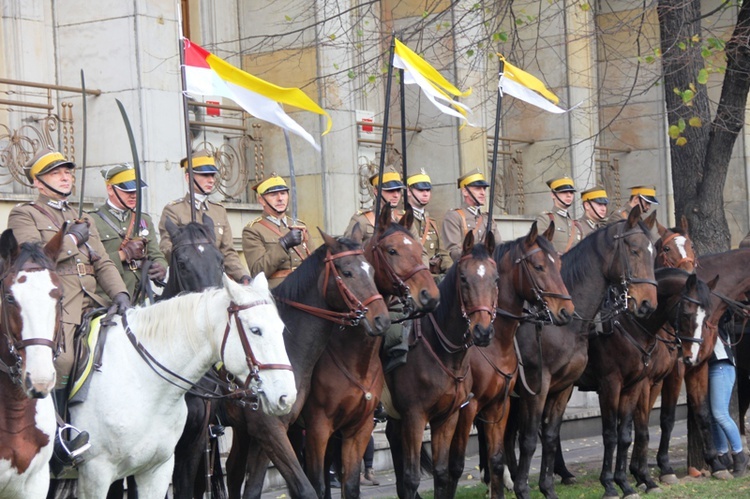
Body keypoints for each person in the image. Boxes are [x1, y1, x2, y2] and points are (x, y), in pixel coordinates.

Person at [8, 148, 131, 469]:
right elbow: (31, 259)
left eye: (68, 172)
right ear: (37, 182)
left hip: (94, 301)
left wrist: (119, 293)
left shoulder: (82, 216)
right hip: (56, 302)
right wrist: (72, 241)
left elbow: (102, 261)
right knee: (61, 358)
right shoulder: (25, 214)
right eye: (55, 173)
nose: (65, 177)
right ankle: (60, 432)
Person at [158, 150, 251, 284]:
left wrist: (242, 276)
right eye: (205, 175)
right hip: (188, 282)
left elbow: (228, 252)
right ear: (188, 177)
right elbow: (167, 249)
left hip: (216, 280)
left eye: (212, 175)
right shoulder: (174, 210)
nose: (211, 180)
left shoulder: (218, 211)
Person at [90, 163, 167, 303]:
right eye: (127, 190)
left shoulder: (143, 220)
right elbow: (91, 266)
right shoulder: (92, 221)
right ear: (110, 189)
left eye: (136, 190)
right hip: (108, 300)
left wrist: (161, 266)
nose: (134, 195)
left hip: (141, 297)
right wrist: (123, 255)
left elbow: (156, 254)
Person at [242, 173, 312, 289]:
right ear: (262, 200)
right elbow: (257, 271)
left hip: (306, 288)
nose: (280, 198)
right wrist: (283, 245)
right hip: (278, 291)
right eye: (273, 195)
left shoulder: (300, 225)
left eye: (283, 193)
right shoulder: (253, 230)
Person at [710, 312, 748, 477]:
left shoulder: (717, 315)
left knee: (720, 414)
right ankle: (722, 455)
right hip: (711, 367)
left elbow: (726, 312)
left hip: (721, 365)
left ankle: (739, 455)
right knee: (714, 416)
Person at [442, 168, 500, 263]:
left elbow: (499, 247)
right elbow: (454, 252)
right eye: (478, 189)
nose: (483, 193)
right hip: (467, 269)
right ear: (465, 192)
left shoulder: (487, 218)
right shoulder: (454, 217)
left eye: (484, 189)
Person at [344, 166, 405, 245]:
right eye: (390, 190)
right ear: (376, 191)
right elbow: (349, 251)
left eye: (398, 190)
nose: (396, 195)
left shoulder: (403, 218)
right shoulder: (361, 220)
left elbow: (419, 250)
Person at [405, 169, 450, 276]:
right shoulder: (402, 220)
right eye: (420, 190)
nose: (425, 194)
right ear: (408, 191)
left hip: (433, 277)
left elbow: (444, 253)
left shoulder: (433, 222)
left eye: (428, 190)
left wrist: (452, 273)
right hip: (411, 277)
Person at [535, 176, 582, 255]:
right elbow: (538, 247)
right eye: (564, 192)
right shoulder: (546, 219)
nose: (569, 195)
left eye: (571, 192)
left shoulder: (577, 225)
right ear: (553, 195)